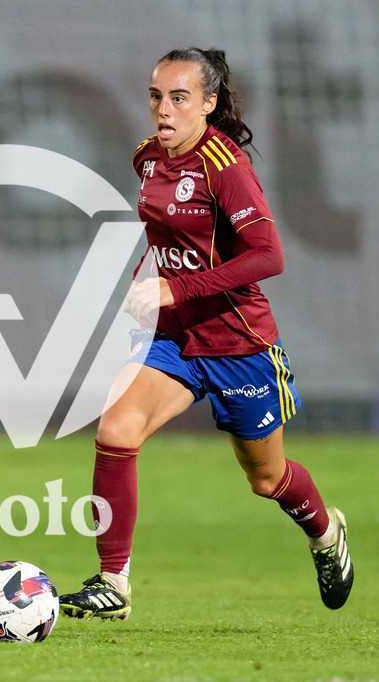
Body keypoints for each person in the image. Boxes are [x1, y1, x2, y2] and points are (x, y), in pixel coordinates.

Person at [58, 47, 354, 618]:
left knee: (267, 480)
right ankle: (112, 584)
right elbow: (170, 242)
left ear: (208, 105)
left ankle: (325, 533)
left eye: (179, 98)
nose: (162, 110)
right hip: (174, 339)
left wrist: (178, 289)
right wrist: (150, 284)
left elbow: (269, 256)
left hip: (238, 343)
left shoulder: (226, 167)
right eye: (155, 96)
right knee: (117, 429)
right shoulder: (147, 158)